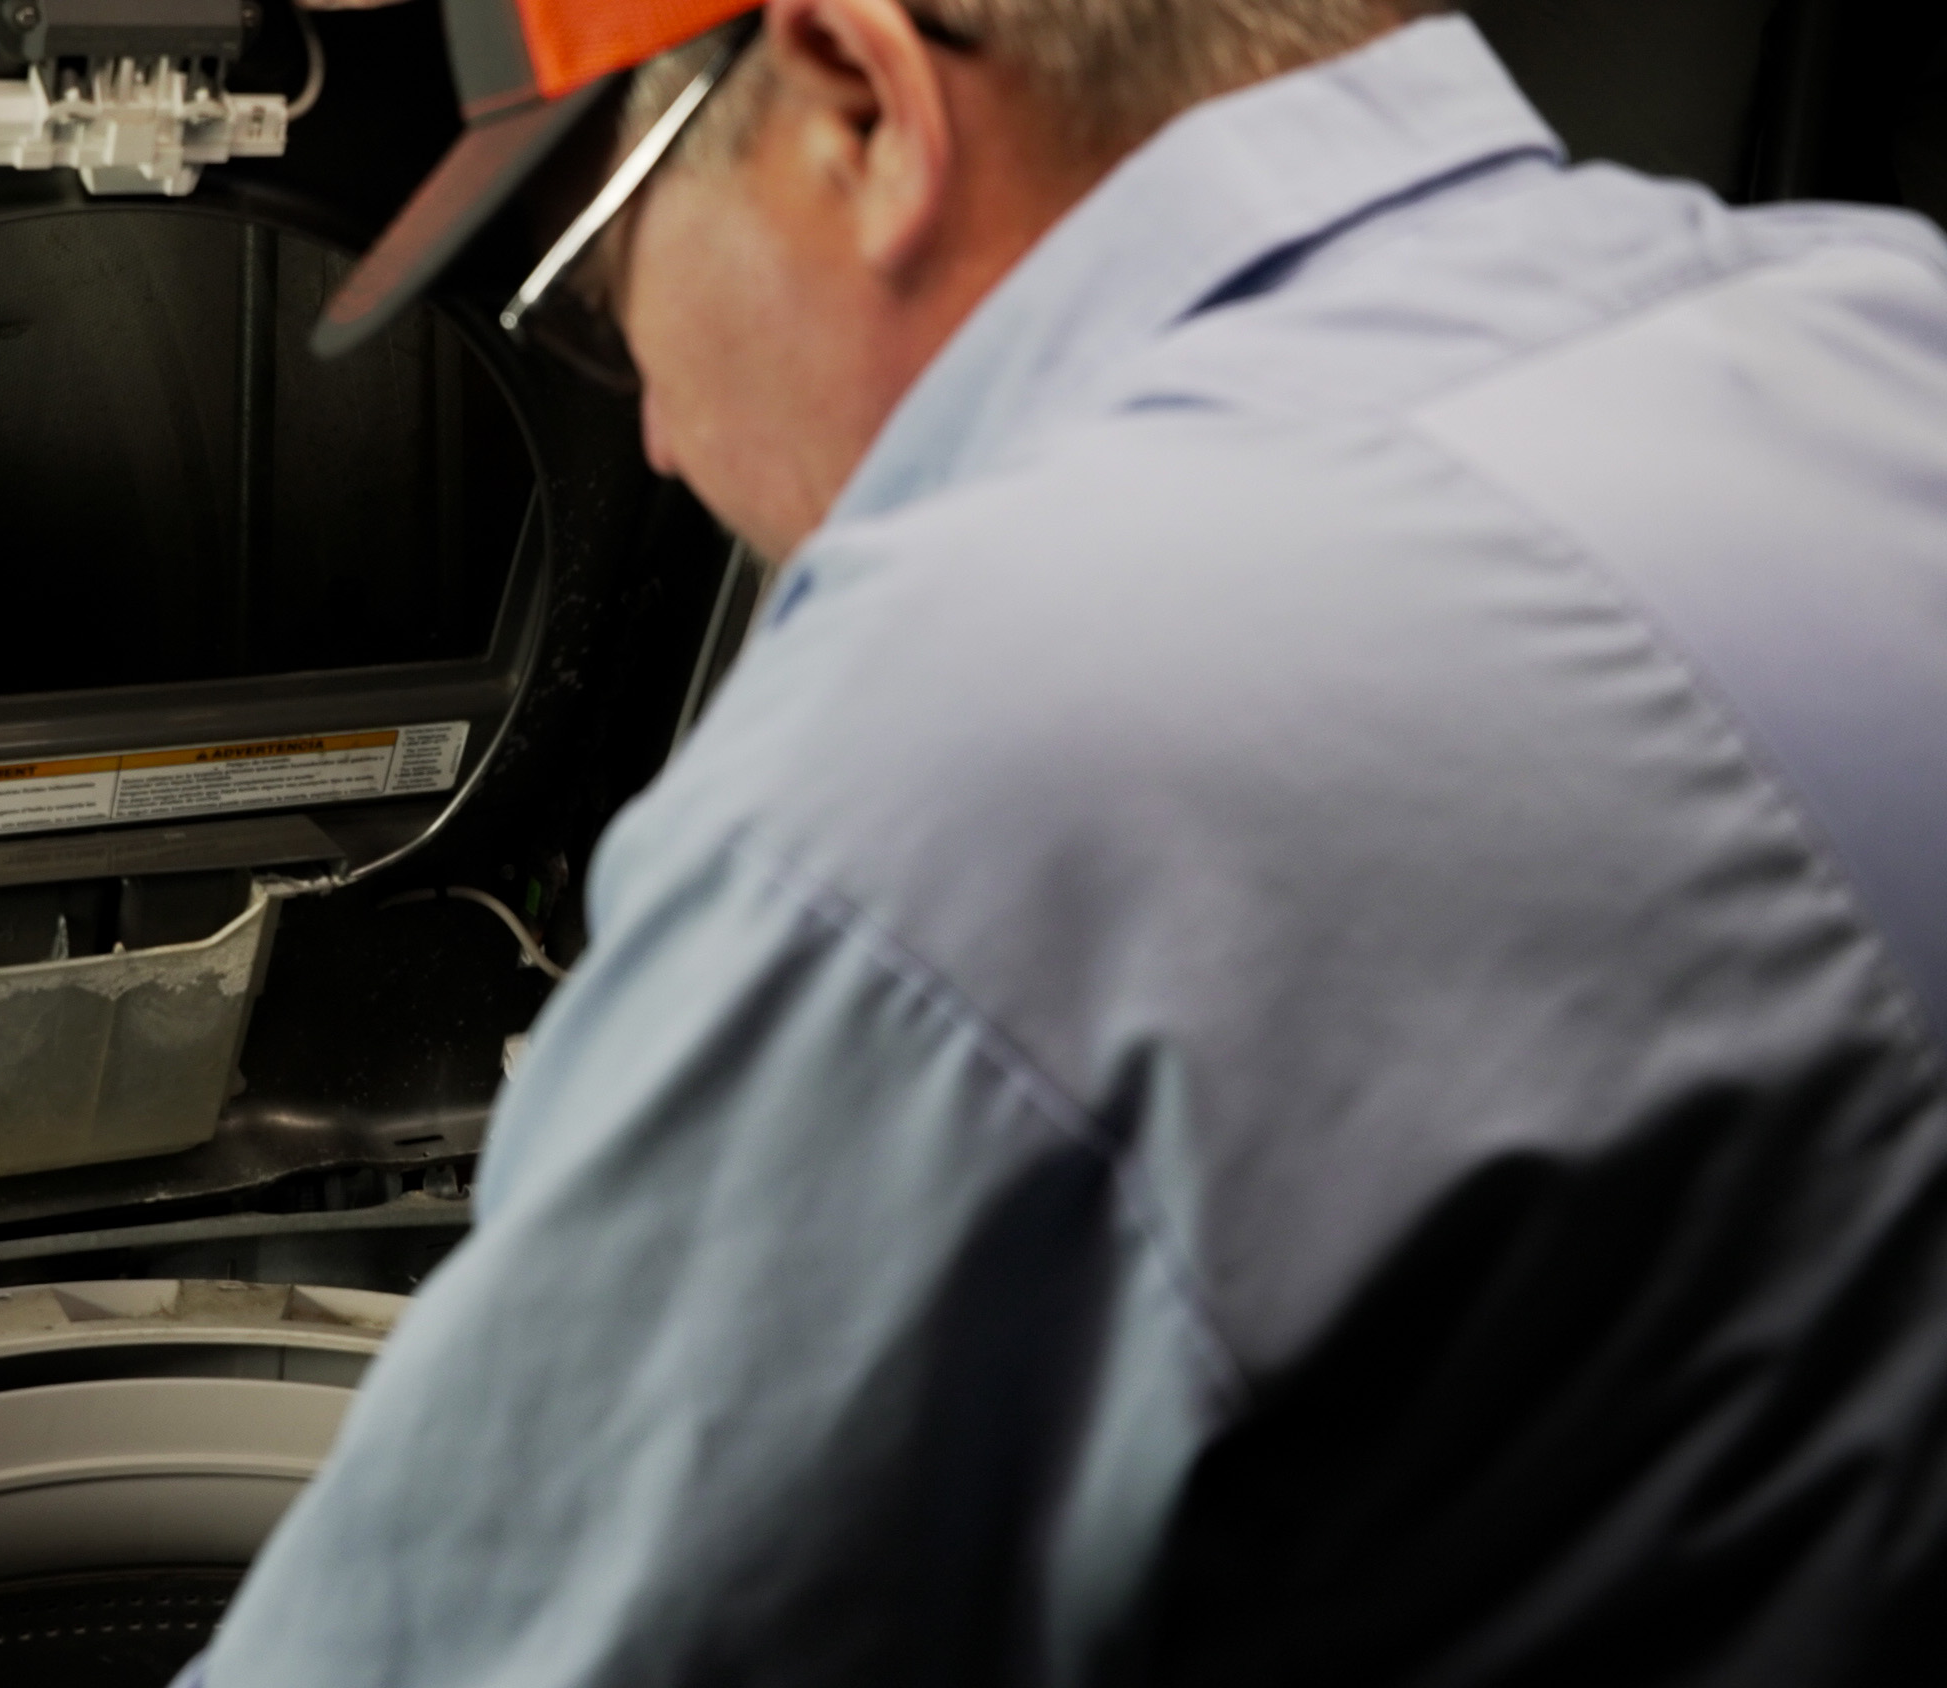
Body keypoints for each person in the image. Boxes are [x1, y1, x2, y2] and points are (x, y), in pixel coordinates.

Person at [191, 1, 1947, 1681]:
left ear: (861, 102)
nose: (648, 424)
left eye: (593, 296)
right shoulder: (1881, 327)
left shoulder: (974, 761)